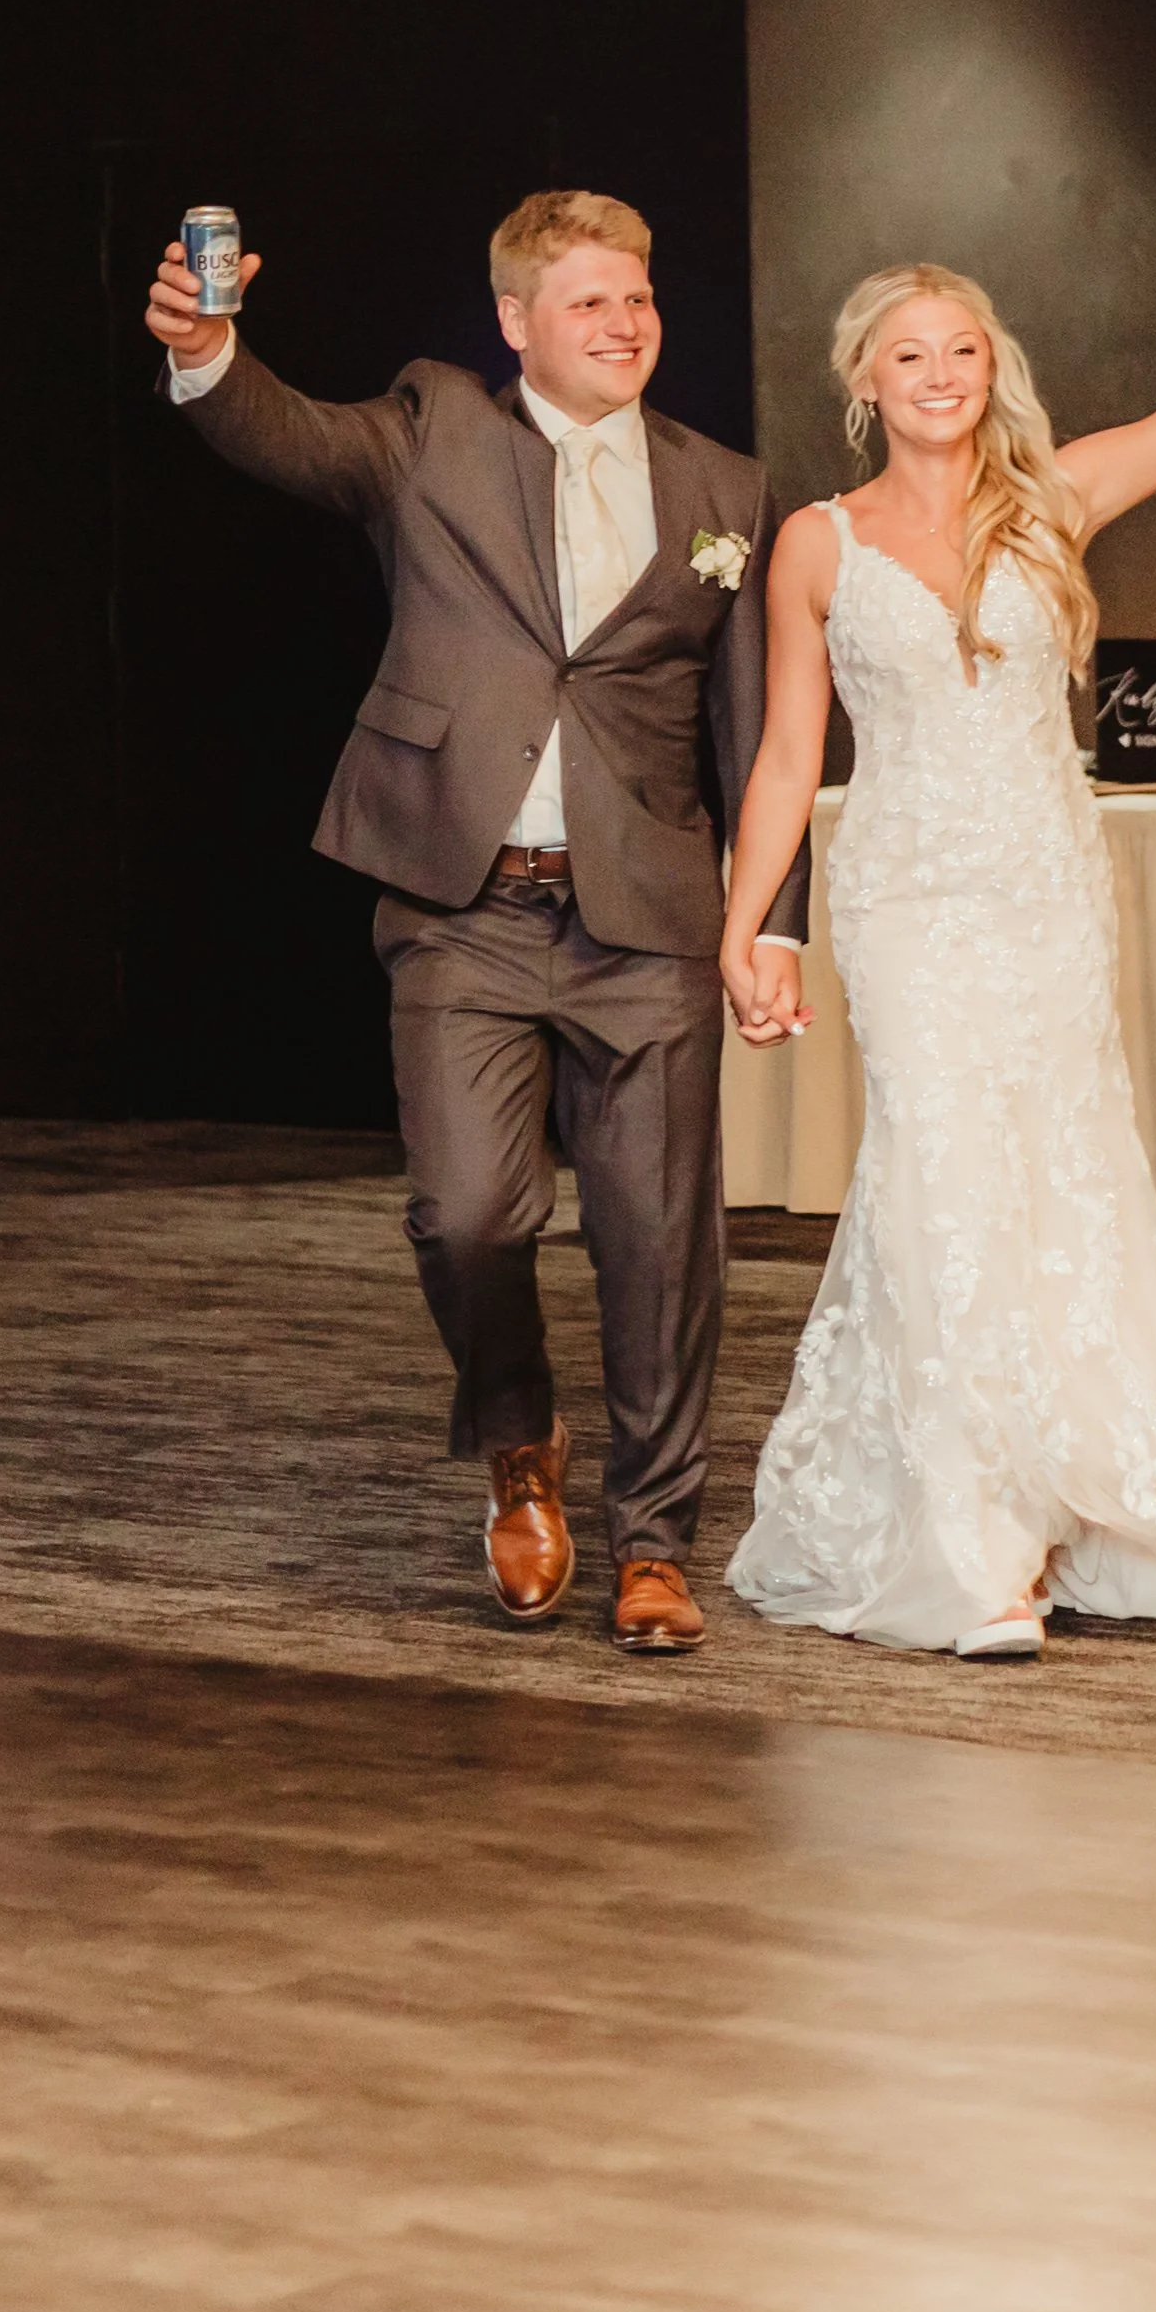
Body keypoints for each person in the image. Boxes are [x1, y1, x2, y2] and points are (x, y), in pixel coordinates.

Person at [718, 210, 1156, 1657]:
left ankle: (1061, 1505)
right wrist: (747, 931)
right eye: (910, 355)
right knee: (938, 1179)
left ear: (992, 369)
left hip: (1046, 895)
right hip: (906, 900)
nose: (941, 375)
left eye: (962, 351)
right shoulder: (814, 543)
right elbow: (790, 753)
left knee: (1059, 1183)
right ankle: (971, 1540)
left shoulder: (1054, 498)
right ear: (863, 379)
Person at [145, 191, 809, 1649]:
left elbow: (760, 730)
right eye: (588, 302)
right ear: (515, 320)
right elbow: (286, 433)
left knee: (660, 1246)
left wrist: (772, 923)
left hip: (646, 920)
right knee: (466, 1217)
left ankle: (654, 1543)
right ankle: (520, 1440)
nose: (624, 324)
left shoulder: (726, 487)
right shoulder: (433, 426)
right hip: (464, 911)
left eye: (638, 298)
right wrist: (207, 352)